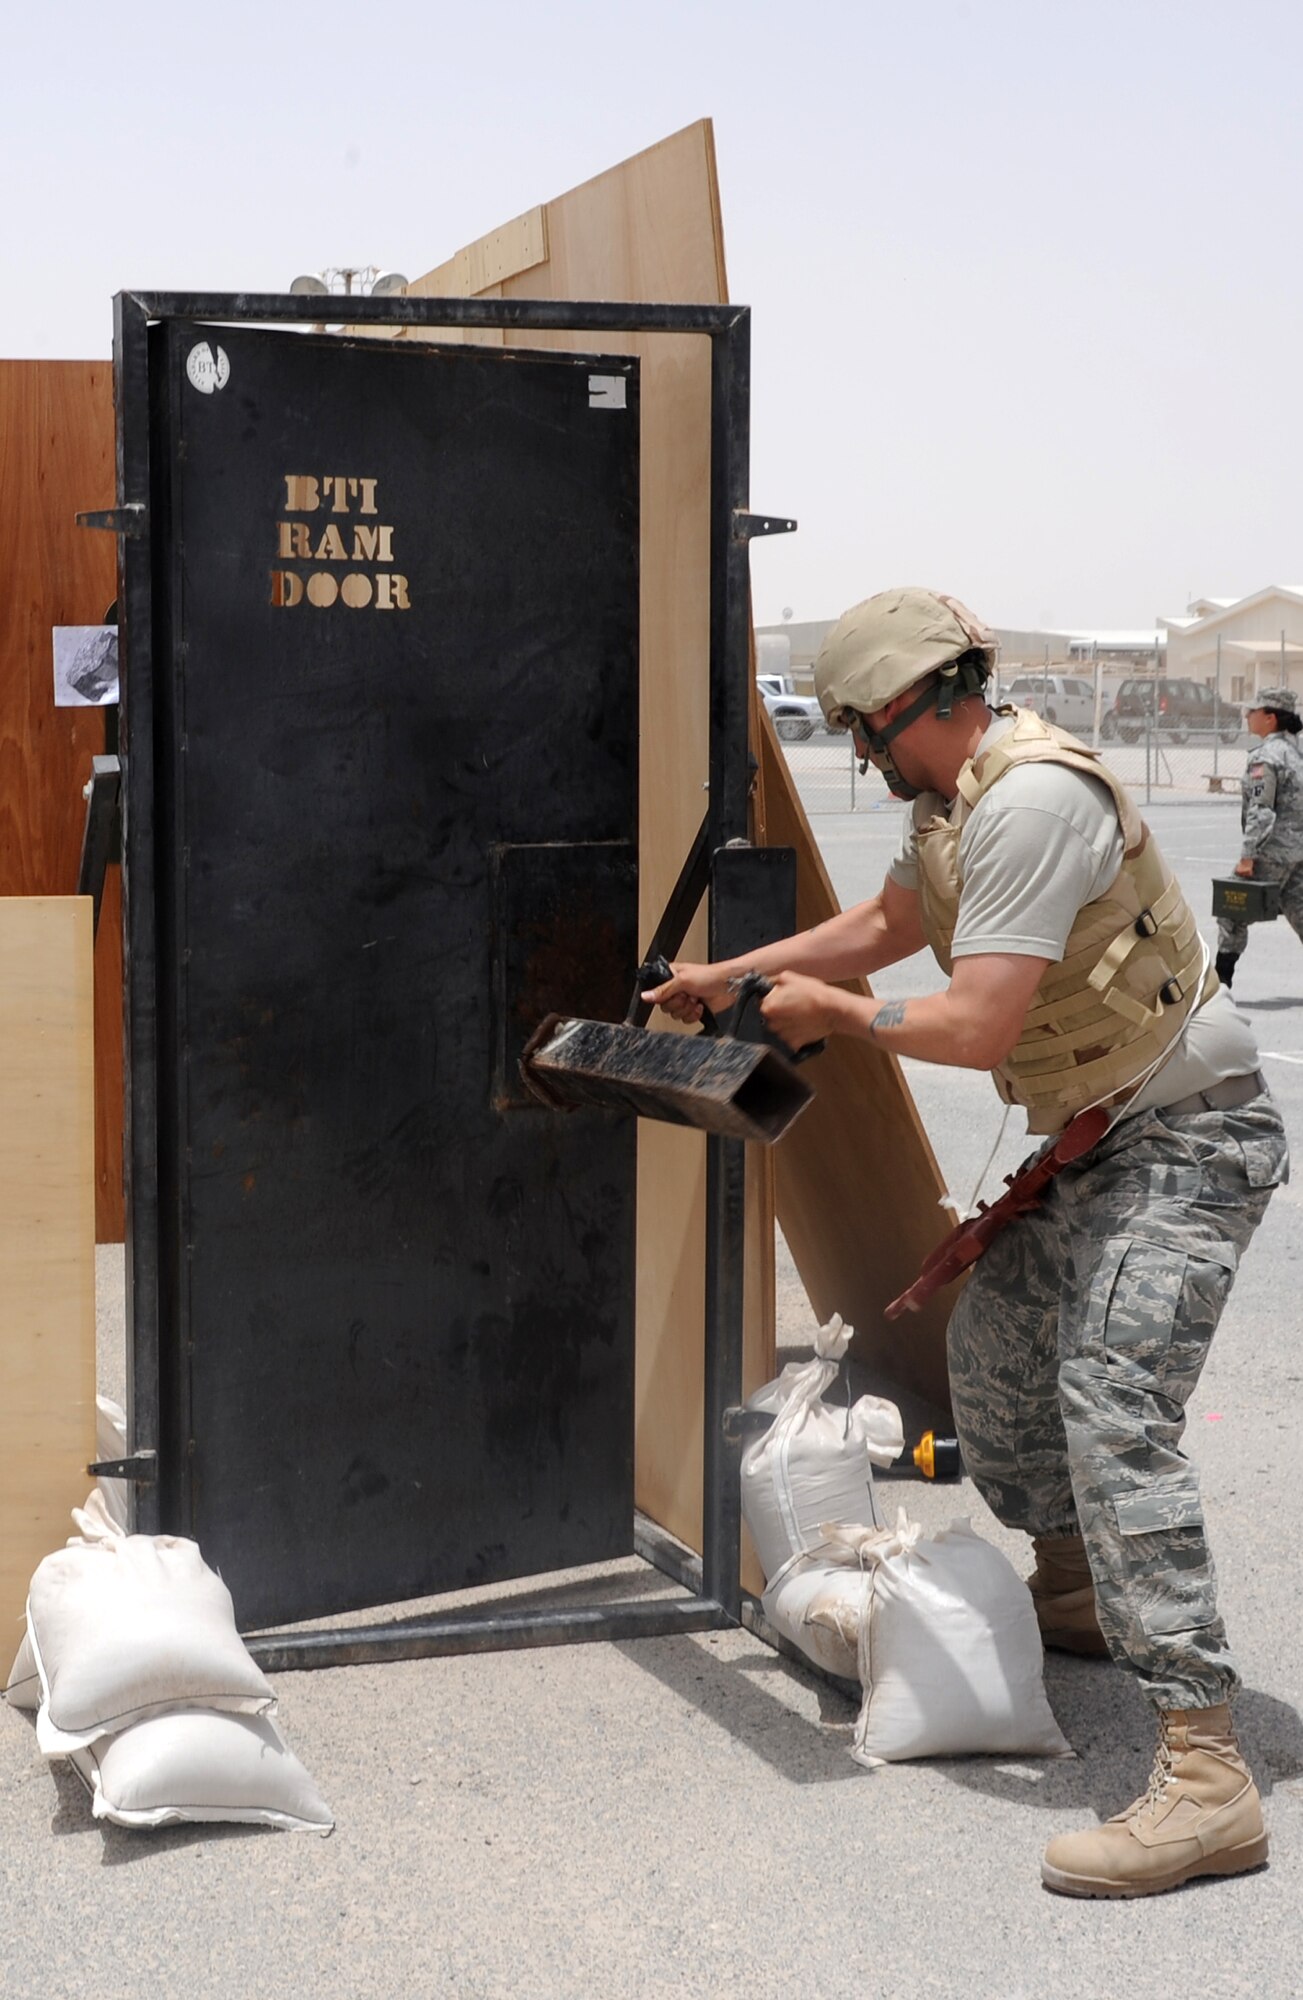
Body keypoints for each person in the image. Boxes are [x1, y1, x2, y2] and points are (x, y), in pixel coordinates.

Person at [647, 587, 1288, 1899]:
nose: (856, 754)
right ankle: (1075, 1590)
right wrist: (739, 973)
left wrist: (837, 1014)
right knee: (993, 1374)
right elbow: (882, 928)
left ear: (914, 706)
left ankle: (1203, 1777)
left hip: (1183, 1138)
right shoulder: (949, 809)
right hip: (1089, 1145)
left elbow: (973, 1024)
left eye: (859, 730)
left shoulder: (1034, 802)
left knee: (1110, 1408)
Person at [1215, 686, 1303, 989]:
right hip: (1299, 852)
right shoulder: (1297, 751)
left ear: (1270, 717)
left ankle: (1220, 983)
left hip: (1273, 851)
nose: (1246, 716)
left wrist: (1247, 856)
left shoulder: (1266, 757)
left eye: (1252, 711)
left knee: (1231, 910)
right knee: (1300, 912)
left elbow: (1261, 810)